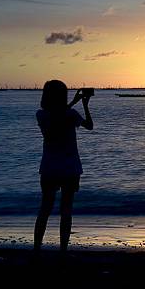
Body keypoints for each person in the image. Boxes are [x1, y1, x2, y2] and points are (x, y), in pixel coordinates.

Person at [34, 80, 93, 254]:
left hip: (49, 166)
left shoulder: (41, 115)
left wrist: (74, 103)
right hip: (70, 167)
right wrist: (85, 105)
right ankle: (63, 251)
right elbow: (89, 126)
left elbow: (56, 115)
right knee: (66, 211)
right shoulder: (71, 114)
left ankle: (37, 249)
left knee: (45, 209)